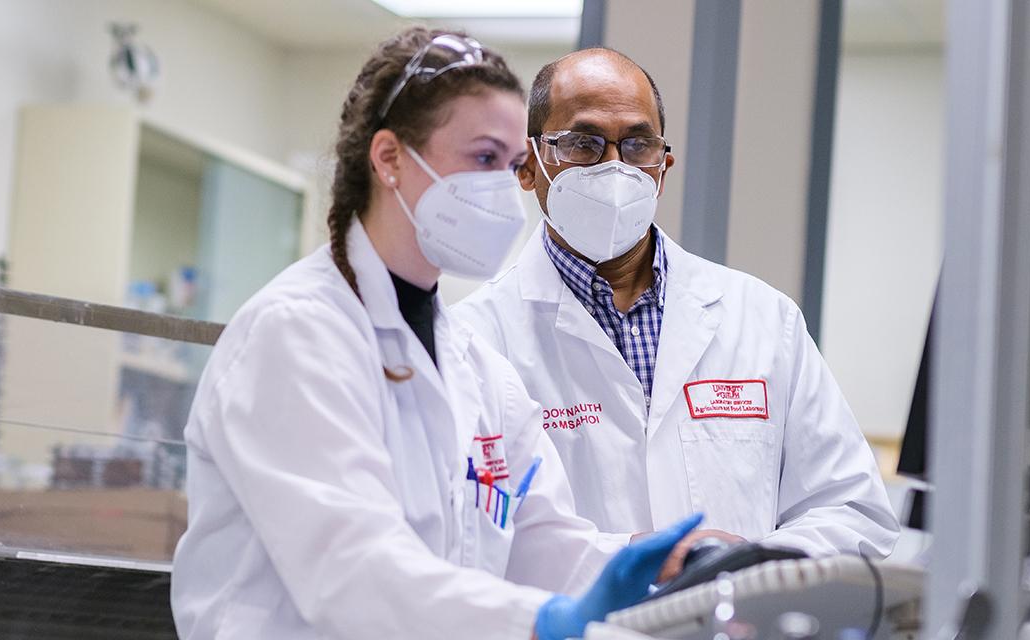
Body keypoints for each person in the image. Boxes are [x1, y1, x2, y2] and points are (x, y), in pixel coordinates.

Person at [171, 29, 703, 640]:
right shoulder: (294, 335)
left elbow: (544, 542)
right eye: (482, 159)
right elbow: (356, 573)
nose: (505, 190)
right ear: (390, 158)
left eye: (509, 165)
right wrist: (543, 621)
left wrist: (665, 569)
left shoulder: (476, 366)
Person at [452, 48, 899, 558]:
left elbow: (855, 513)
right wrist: (634, 561)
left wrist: (747, 565)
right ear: (528, 166)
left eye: (638, 144)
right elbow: (467, 537)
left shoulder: (765, 321)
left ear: (663, 166)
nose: (614, 167)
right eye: (583, 143)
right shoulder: (473, 341)